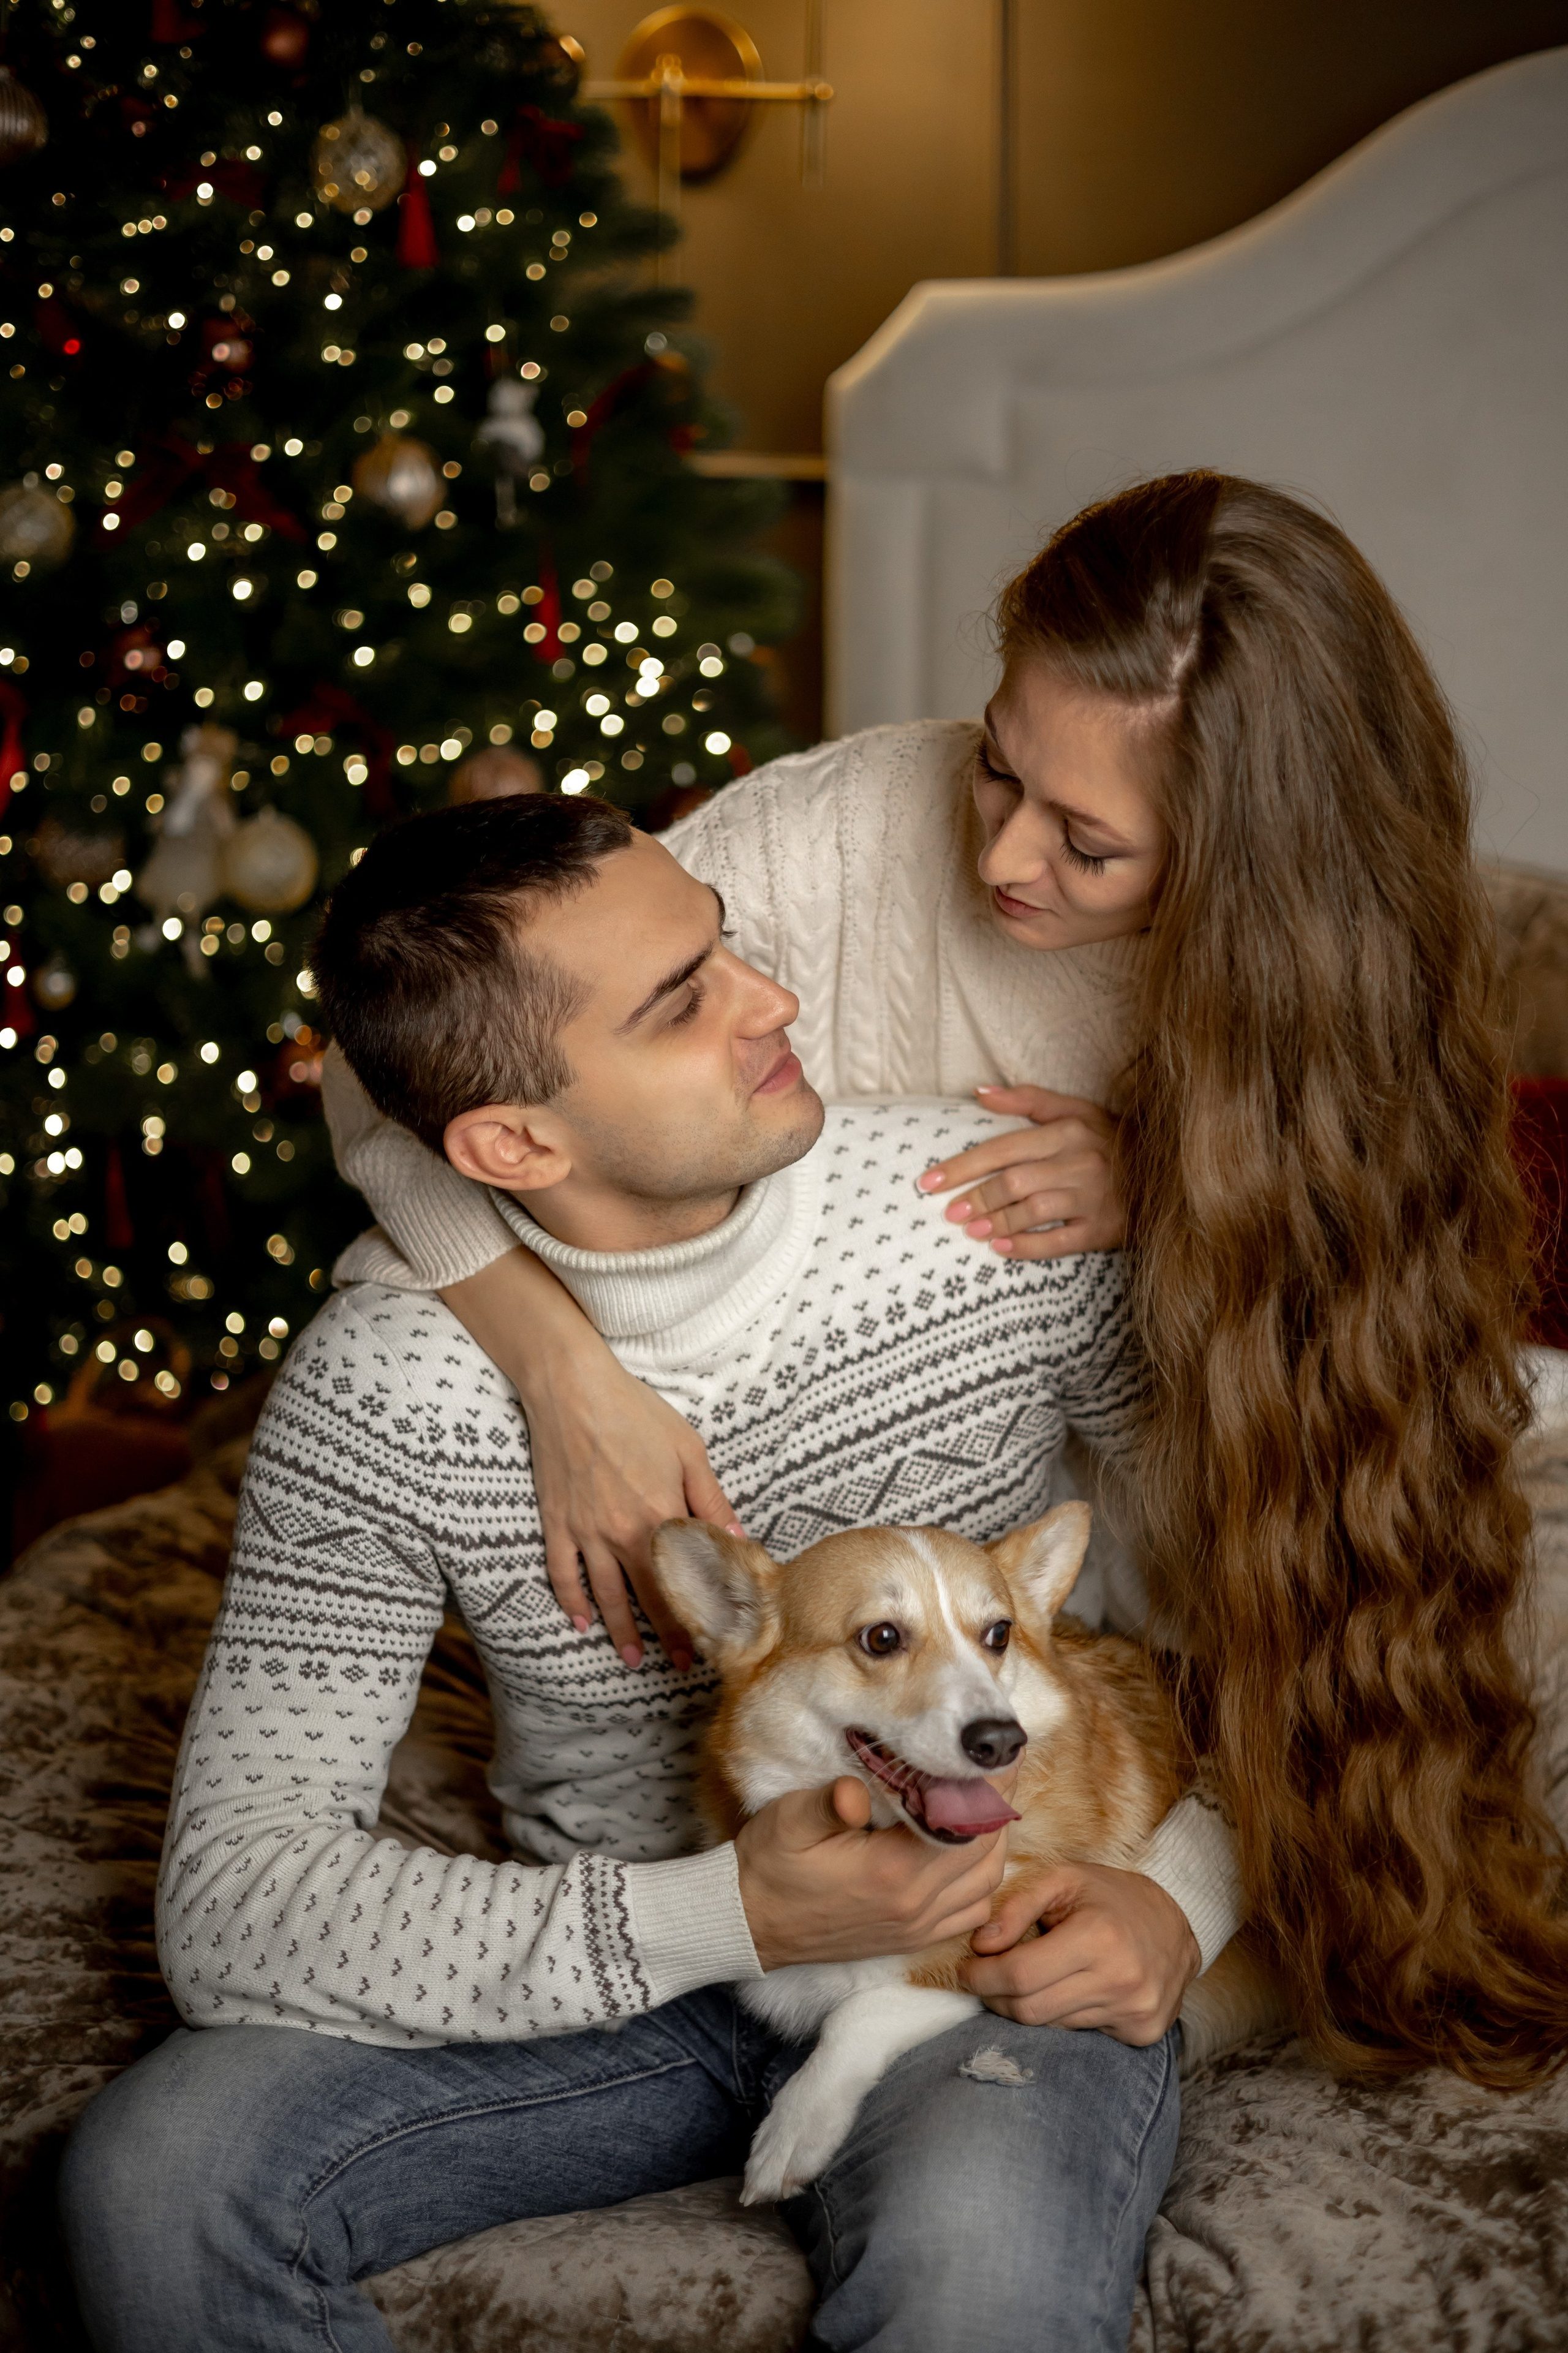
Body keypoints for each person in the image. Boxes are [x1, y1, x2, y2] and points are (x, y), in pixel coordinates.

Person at [330, 470, 1568, 2086]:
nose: (1000, 852)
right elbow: (399, 1062)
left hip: (1137, 1616)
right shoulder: (848, 828)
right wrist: (570, 1380)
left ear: (1249, 860)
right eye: (1000, 765)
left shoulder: (1356, 1009)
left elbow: (1330, 1548)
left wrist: (1194, 1185)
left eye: (1091, 840)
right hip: (838, 1585)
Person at [60, 790, 1226, 2353]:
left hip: (987, 1944)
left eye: (724, 949)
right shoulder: (383, 1390)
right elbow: (235, 1906)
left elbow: (1282, 1617)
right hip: (628, 1973)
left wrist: (1179, 1898)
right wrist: (717, 1916)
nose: (775, 1001)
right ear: (513, 1142)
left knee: (975, 2269)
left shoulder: (992, 1206)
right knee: (153, 2176)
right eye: (684, 1003)